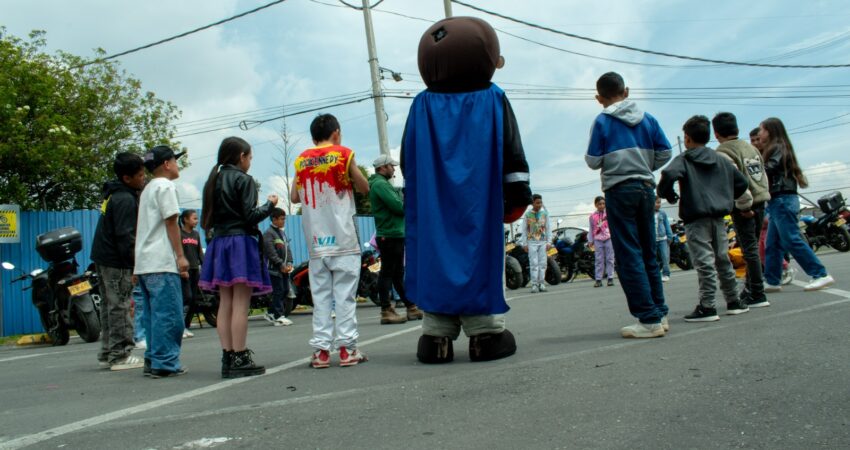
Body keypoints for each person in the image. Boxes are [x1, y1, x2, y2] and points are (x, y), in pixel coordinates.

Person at [403, 17, 531, 364]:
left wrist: (417, 197)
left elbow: (408, 160)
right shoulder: (494, 98)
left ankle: (436, 337)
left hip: (434, 203)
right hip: (481, 200)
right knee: (480, 254)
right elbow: (511, 150)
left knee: (435, 256)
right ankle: (485, 335)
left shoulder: (422, 105)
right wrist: (518, 193)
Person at [585, 72, 672, 338]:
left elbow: (592, 160)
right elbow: (666, 152)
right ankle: (660, 312)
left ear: (599, 98)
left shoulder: (602, 121)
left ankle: (648, 320)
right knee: (648, 252)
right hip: (646, 188)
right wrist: (645, 166)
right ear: (627, 91)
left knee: (628, 255)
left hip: (619, 190)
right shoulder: (649, 119)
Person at [291, 114, 370, 369]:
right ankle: (347, 350)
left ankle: (321, 352)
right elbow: (364, 187)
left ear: (314, 137)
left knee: (321, 297)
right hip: (344, 240)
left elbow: (294, 196)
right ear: (336, 132)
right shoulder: (344, 154)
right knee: (345, 296)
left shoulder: (301, 160)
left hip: (317, 243)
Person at [657, 115, 752, 322]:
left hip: (696, 217)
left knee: (704, 263)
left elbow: (668, 176)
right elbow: (742, 183)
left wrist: (669, 194)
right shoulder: (720, 159)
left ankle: (707, 306)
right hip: (719, 217)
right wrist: (726, 195)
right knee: (722, 259)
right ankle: (733, 300)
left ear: (688, 138)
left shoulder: (685, 159)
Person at [200, 137, 277, 378]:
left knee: (226, 302)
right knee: (241, 304)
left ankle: (228, 356)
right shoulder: (244, 180)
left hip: (220, 242)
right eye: (250, 157)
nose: (250, 162)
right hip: (240, 242)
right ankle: (241, 356)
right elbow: (250, 216)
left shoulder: (213, 179)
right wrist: (270, 205)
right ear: (241, 156)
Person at [759, 117, 835, 291]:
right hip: (778, 200)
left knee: (791, 239)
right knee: (772, 243)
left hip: (782, 199)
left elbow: (770, 167)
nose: (760, 133)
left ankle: (820, 274)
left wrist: (755, 169)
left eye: (762, 129)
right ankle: (772, 280)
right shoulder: (778, 147)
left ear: (770, 131)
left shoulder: (777, 147)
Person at [134, 145, 190, 378]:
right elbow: (170, 222)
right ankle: (165, 362)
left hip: (145, 262)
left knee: (151, 316)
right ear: (166, 164)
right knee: (169, 315)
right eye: (175, 161)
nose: (177, 165)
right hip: (162, 261)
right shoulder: (166, 186)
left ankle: (153, 359)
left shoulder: (147, 188)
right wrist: (180, 255)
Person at [91, 152, 146, 371]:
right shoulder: (125, 199)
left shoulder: (114, 194)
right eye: (140, 175)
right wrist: (134, 265)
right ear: (127, 178)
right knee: (121, 305)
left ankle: (107, 352)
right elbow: (126, 236)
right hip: (117, 261)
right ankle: (120, 354)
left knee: (109, 306)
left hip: (104, 257)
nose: (143, 178)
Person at [713, 112, 771, 308]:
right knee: (752, 247)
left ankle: (757, 292)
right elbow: (763, 175)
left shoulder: (723, 152)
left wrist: (744, 206)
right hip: (761, 200)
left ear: (716, 132)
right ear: (737, 129)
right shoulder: (751, 148)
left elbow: (735, 181)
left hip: (744, 205)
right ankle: (752, 289)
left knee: (749, 250)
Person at [368, 154, 423, 324]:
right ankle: (386, 310)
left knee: (397, 273)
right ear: (382, 167)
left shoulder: (382, 184)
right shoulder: (380, 185)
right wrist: (403, 198)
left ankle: (410, 307)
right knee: (388, 273)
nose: (394, 169)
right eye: (391, 166)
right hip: (389, 234)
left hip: (393, 234)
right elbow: (399, 207)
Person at [262, 208, 294, 326]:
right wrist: (280, 264)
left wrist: (289, 262)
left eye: (284, 218)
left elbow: (287, 248)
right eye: (281, 219)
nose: (283, 221)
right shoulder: (268, 233)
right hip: (274, 270)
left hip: (284, 269)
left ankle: (270, 312)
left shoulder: (281, 232)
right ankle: (278, 316)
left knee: (285, 290)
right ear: (274, 219)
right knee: (278, 291)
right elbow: (271, 252)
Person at [519, 194, 552, 293]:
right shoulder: (527, 214)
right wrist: (524, 243)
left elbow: (548, 228)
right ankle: (534, 284)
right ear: (532, 203)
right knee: (533, 264)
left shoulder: (545, 214)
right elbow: (524, 229)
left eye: (540, 203)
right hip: (531, 242)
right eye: (537, 203)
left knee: (543, 263)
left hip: (542, 242)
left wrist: (549, 242)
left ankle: (541, 283)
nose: (539, 205)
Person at [179, 209, 203, 337]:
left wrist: (204, 265)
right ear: (185, 219)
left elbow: (199, 252)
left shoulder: (196, 234)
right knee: (186, 297)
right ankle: (179, 326)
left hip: (195, 270)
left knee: (193, 299)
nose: (197, 221)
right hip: (184, 272)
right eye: (194, 218)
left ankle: (186, 326)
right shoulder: (179, 233)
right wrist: (181, 269)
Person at [587, 196, 615, 287]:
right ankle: (598, 279)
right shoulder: (592, 216)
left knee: (610, 259)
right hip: (598, 240)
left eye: (603, 204)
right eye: (599, 204)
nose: (602, 206)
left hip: (608, 238)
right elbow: (591, 229)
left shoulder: (609, 214)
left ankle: (610, 278)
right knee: (599, 260)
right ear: (596, 205)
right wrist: (590, 240)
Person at [654, 197, 673, 282]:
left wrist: (669, 236)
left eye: (659, 203)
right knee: (655, 259)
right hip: (653, 240)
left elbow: (667, 225)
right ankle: (656, 274)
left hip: (663, 239)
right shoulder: (647, 213)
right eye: (656, 203)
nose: (658, 204)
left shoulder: (662, 213)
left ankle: (666, 274)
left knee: (665, 257)